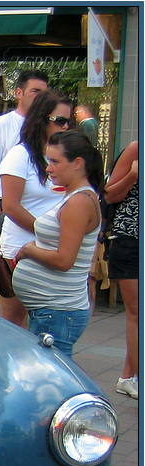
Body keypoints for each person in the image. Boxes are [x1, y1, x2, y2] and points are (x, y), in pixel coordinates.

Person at [11, 130, 103, 356]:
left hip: (58, 311)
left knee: (47, 383)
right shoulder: (74, 197)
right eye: (47, 161)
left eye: (55, 161)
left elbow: (64, 260)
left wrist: (30, 250)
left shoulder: (78, 202)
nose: (48, 168)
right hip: (53, 310)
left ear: (77, 163)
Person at [0, 89, 72, 327]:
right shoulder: (20, 156)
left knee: (47, 324)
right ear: (42, 120)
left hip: (52, 251)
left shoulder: (62, 157)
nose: (65, 127)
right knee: (13, 326)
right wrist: (45, 231)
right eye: (59, 121)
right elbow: (10, 205)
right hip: (20, 250)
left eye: (69, 121)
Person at [0, 69, 49, 226]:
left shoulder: (49, 125)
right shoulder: (1, 125)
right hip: (7, 207)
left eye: (44, 93)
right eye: (35, 91)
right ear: (19, 93)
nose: (40, 97)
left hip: (40, 208)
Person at [104, 140, 139, 398]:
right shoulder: (137, 148)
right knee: (137, 312)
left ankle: (128, 376)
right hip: (131, 238)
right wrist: (134, 175)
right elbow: (109, 194)